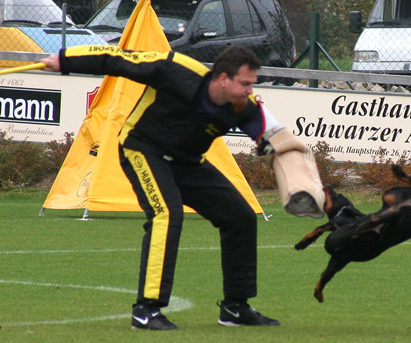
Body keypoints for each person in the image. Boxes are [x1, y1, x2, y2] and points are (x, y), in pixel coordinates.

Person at [41, 45, 283, 330]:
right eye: (244, 83)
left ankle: (235, 308)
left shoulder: (246, 107)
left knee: (240, 217)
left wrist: (297, 175)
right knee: (166, 215)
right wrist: (65, 60)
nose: (249, 91)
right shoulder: (175, 69)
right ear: (222, 79)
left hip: (188, 162)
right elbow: (116, 59)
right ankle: (146, 310)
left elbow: (275, 143)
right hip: (143, 149)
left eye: (252, 84)